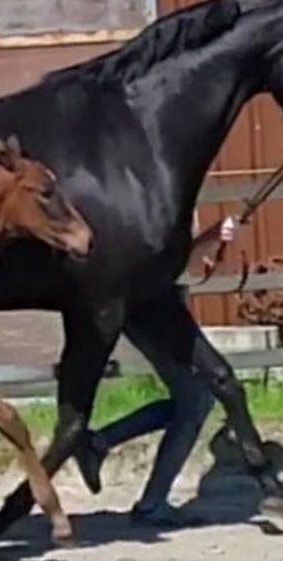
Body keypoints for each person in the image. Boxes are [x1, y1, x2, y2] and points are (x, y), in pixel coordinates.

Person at [73, 211, 241, 525]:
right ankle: (150, 502)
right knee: (196, 402)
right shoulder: (167, 200)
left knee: (190, 401)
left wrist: (213, 243)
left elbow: (184, 266)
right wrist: (211, 238)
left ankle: (99, 444)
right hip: (153, 309)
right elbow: (170, 265)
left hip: (155, 307)